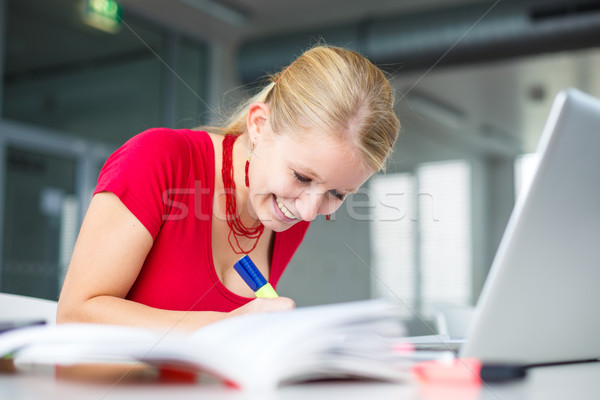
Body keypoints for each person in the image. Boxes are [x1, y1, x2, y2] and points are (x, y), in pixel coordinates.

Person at [56, 44, 400, 331]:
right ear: (259, 125)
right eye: (301, 177)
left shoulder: (284, 213)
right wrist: (223, 330)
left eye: (337, 194)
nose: (309, 211)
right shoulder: (157, 159)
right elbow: (74, 315)